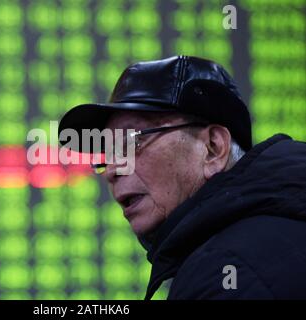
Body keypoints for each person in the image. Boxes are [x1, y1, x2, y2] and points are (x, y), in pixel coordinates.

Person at [58, 55, 306, 299]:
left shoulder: (226, 271)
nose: (112, 170)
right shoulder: (278, 231)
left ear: (213, 147)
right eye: (108, 153)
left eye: (132, 141)